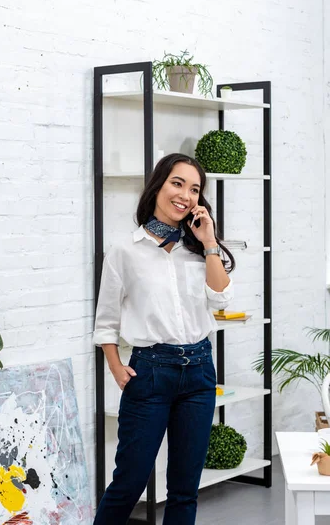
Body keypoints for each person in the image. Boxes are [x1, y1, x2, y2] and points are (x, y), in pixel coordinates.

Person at [93, 153, 235, 525]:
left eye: (194, 189)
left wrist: (209, 242)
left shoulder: (199, 250)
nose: (185, 195)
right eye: (177, 183)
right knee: (129, 482)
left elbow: (221, 299)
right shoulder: (126, 250)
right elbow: (106, 319)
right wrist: (116, 368)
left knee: (185, 490)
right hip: (151, 374)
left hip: (199, 375)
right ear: (158, 185)